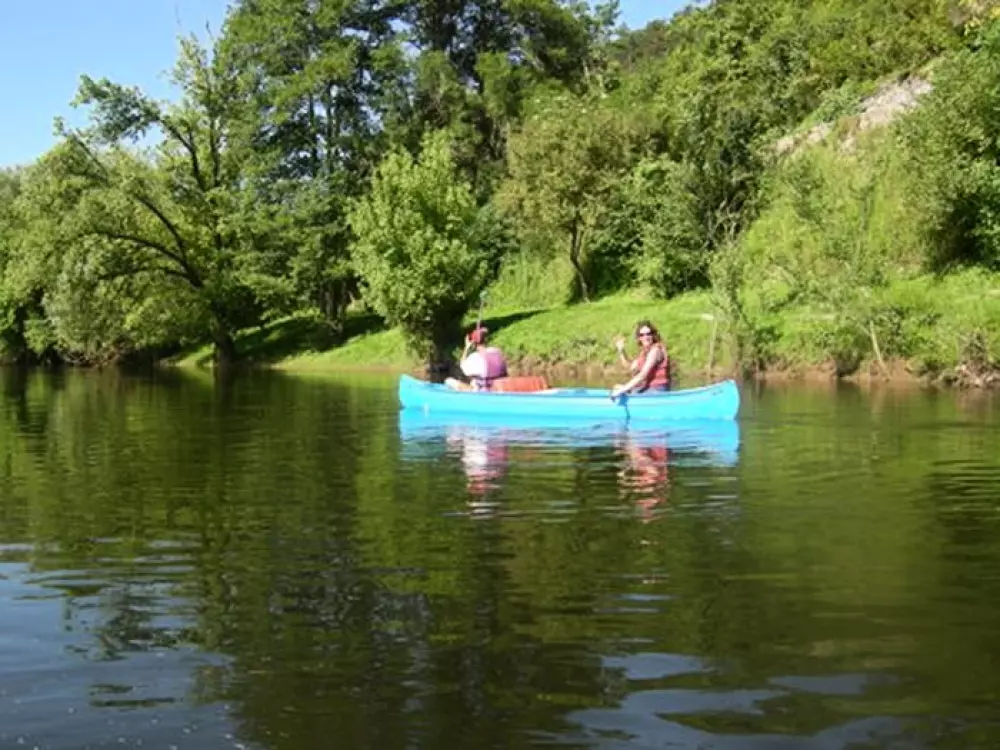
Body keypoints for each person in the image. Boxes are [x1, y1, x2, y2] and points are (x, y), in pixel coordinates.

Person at [611, 320, 670, 399]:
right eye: (642, 335)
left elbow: (643, 374)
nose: (645, 337)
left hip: (657, 390)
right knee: (617, 388)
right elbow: (630, 367)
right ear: (639, 338)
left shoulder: (656, 350)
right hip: (647, 389)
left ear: (653, 335)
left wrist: (624, 389)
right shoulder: (644, 352)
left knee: (623, 391)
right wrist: (621, 351)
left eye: (648, 334)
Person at [446, 325, 509, 391]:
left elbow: (463, 368)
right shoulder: (496, 351)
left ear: (473, 343)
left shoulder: (476, 357)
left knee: (449, 381)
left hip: (484, 392)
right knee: (474, 380)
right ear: (486, 340)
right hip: (500, 389)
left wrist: (467, 348)